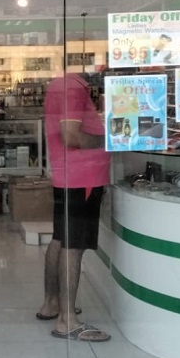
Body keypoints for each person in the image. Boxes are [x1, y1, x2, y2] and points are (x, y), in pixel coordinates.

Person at [37, 72, 111, 342]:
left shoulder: (61, 85)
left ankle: (52, 304)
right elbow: (71, 136)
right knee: (73, 246)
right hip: (83, 179)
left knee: (61, 239)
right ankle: (67, 321)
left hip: (70, 176)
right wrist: (110, 139)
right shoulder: (72, 88)